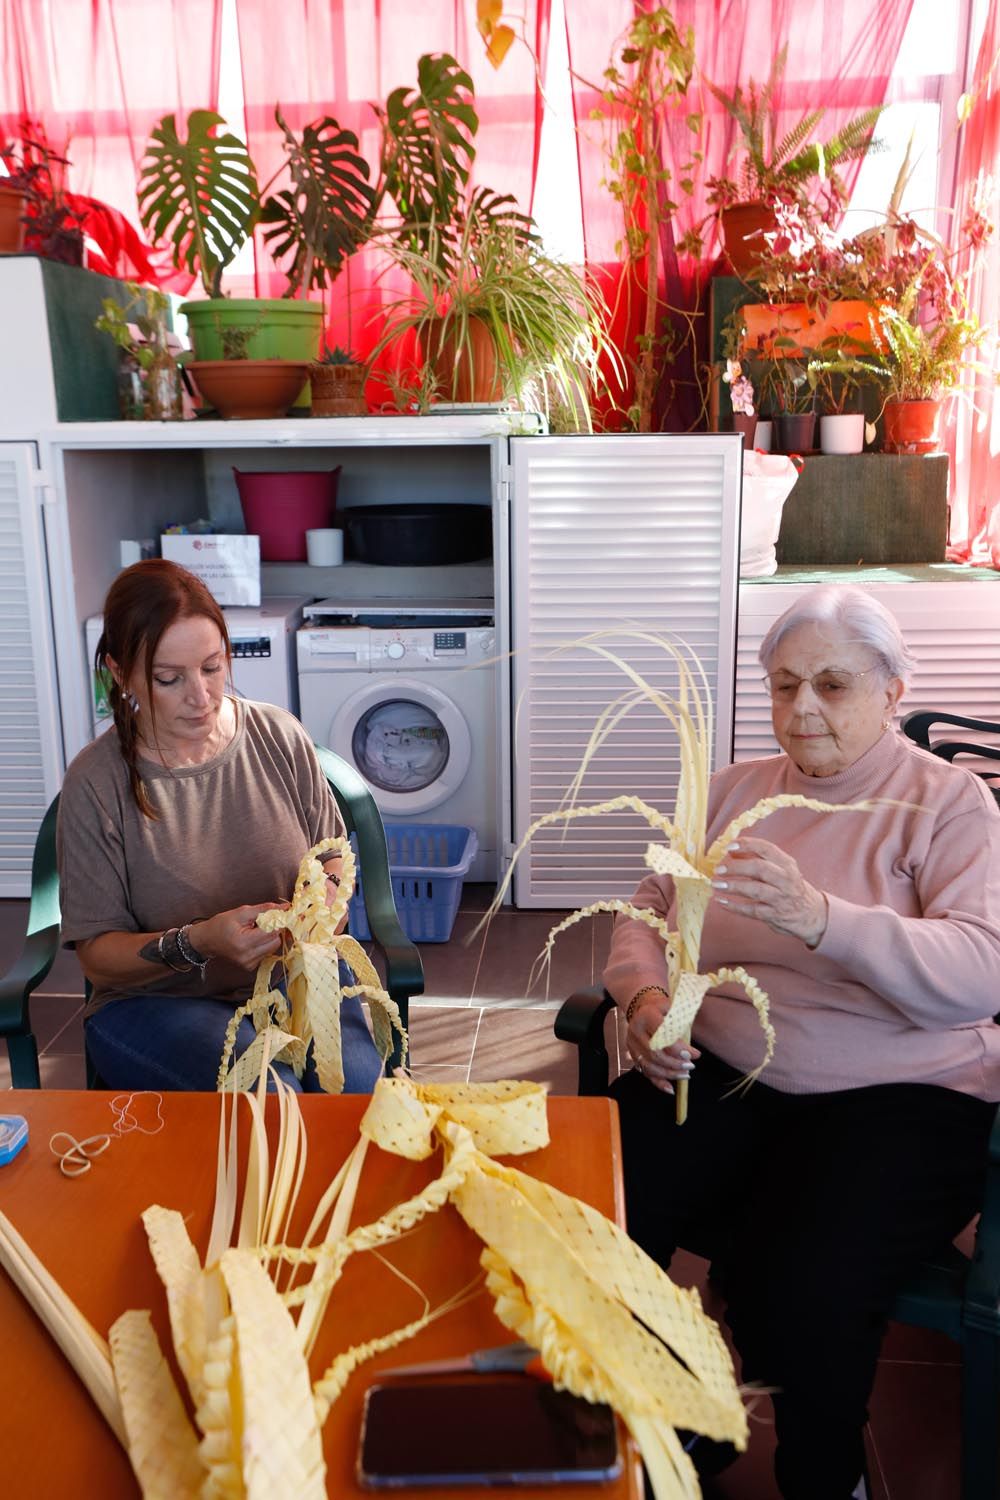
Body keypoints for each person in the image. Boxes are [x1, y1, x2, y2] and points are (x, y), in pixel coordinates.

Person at [603, 585, 1000, 1500]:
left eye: (831, 684)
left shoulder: (948, 805)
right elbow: (649, 910)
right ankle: (675, 1422)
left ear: (893, 690)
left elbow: (979, 975)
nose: (802, 710)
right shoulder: (735, 790)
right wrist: (646, 998)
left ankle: (826, 1474)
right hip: (728, 1070)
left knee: (800, 1289)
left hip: (902, 1093)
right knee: (594, 1212)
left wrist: (827, 921)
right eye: (784, 687)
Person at [57, 558, 384, 1093]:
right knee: (273, 1101)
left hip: (295, 978)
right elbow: (99, 959)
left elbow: (332, 853)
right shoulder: (97, 784)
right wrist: (200, 943)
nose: (201, 697)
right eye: (169, 678)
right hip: (158, 1004)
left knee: (360, 1100)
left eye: (212, 667)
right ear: (119, 673)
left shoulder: (278, 735)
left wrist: (328, 896)